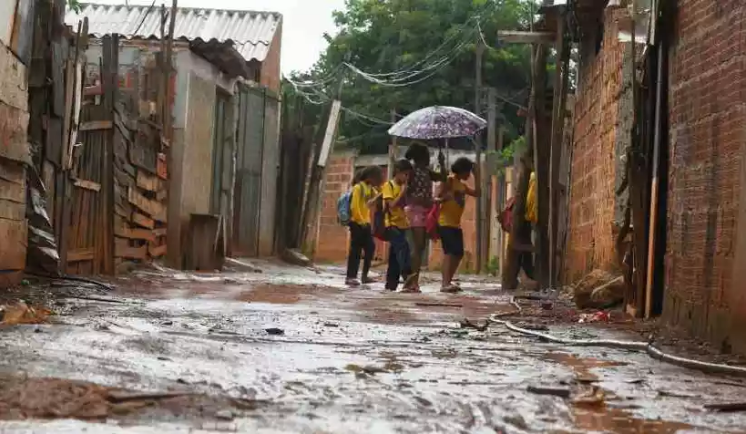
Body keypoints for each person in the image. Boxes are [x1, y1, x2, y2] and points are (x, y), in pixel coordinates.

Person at [436, 157, 480, 293]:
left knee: (458, 253)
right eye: (468, 172)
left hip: (455, 224)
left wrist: (478, 177)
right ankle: (445, 283)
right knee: (450, 253)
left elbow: (478, 193)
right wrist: (445, 198)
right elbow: (436, 197)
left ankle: (448, 280)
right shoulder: (448, 181)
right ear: (462, 170)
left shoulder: (462, 185)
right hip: (445, 222)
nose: (469, 175)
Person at [403, 143, 442, 293]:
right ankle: (412, 281)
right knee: (418, 247)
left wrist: (442, 163)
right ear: (421, 156)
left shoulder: (427, 171)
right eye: (427, 155)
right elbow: (407, 192)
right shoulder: (411, 172)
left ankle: (413, 281)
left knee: (420, 247)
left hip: (425, 210)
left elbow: (442, 177)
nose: (429, 158)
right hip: (415, 211)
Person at [346, 165, 383, 287]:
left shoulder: (370, 188)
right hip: (357, 223)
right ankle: (351, 276)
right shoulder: (358, 188)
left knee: (370, 248)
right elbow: (354, 207)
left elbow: (376, 198)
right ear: (370, 177)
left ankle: (364, 275)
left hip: (365, 223)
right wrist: (360, 221)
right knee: (355, 250)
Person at [382, 159, 413, 291]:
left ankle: (391, 285)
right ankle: (408, 275)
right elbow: (392, 205)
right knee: (403, 246)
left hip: (402, 224)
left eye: (408, 175)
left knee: (394, 256)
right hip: (391, 224)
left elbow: (404, 205)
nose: (406, 178)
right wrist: (402, 193)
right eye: (405, 175)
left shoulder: (403, 187)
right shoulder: (388, 186)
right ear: (398, 172)